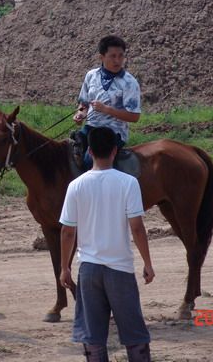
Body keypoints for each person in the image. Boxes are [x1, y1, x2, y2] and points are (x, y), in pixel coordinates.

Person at [60, 127, 154, 362]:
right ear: (115, 150)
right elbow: (137, 228)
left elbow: (67, 232)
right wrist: (147, 263)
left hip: (89, 270)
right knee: (134, 335)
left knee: (93, 338)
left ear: (89, 151)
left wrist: (64, 267)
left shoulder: (76, 186)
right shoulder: (128, 183)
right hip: (119, 270)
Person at [73, 35, 141, 170]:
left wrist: (107, 110)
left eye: (121, 56)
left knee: (89, 161)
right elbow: (84, 104)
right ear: (101, 57)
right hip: (91, 127)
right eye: (113, 56)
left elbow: (134, 116)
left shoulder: (129, 82)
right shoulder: (91, 75)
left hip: (114, 132)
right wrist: (80, 113)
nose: (117, 60)